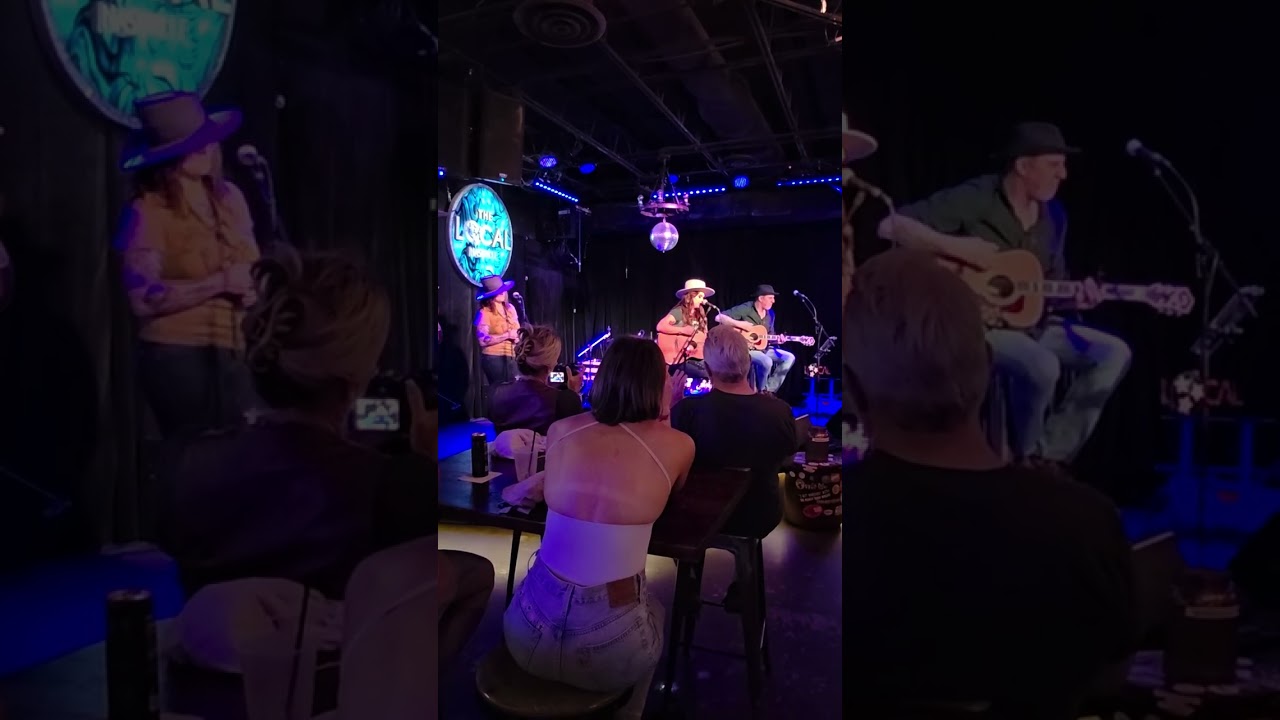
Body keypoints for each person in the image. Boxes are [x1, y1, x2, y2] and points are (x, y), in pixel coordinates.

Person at [843, 249, 1137, 719]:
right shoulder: (1089, 523)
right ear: (985, 367)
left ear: (853, 392)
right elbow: (1108, 678)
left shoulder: (845, 530)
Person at [158, 247, 493, 658]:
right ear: (358, 370)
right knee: (478, 573)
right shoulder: (390, 486)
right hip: (346, 688)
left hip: (212, 680)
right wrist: (423, 467)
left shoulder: (185, 466)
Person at [877, 122, 1131, 468]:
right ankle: (1023, 467)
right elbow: (891, 225)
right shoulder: (979, 197)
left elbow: (1047, 288)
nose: (1064, 175)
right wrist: (961, 248)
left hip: (1032, 327)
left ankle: (1045, 457)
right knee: (1043, 366)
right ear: (1023, 167)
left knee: (1113, 352)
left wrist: (1077, 298)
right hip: (976, 328)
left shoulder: (1054, 217)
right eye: (1053, 165)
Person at [504, 337, 693, 719]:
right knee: (655, 607)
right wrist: (666, 410)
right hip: (612, 649)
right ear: (659, 385)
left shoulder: (560, 430)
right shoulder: (680, 445)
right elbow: (673, 492)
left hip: (524, 630)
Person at [116, 91, 260, 439]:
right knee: (197, 457)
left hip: (236, 349)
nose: (204, 149)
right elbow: (142, 299)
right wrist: (220, 282)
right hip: (178, 354)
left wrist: (254, 288)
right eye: (192, 145)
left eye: (205, 141)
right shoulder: (147, 212)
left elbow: (253, 265)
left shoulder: (231, 198)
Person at [671, 325, 795, 610]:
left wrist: (673, 406)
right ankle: (744, 578)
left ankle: (688, 575)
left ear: (707, 368)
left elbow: (669, 459)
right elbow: (787, 455)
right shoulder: (780, 411)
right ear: (748, 362)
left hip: (699, 517)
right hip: (760, 514)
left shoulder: (688, 411)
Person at [487, 325, 584, 436]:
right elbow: (572, 439)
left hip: (505, 453)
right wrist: (573, 394)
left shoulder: (496, 393)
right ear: (551, 364)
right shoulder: (563, 400)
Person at [715, 284, 794, 394]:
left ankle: (768, 390)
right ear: (761, 298)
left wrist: (778, 340)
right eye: (770, 298)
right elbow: (719, 317)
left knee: (789, 357)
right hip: (745, 349)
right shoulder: (746, 308)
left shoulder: (771, 314)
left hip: (763, 349)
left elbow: (769, 336)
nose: (773, 301)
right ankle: (760, 394)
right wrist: (741, 325)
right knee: (767, 361)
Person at [655, 279, 713, 379]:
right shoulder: (679, 312)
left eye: (703, 297)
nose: (702, 301)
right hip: (679, 359)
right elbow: (660, 326)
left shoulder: (702, 315)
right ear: (690, 297)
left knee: (714, 369)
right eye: (699, 297)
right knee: (707, 374)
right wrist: (683, 330)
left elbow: (704, 337)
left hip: (696, 357)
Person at [473, 274, 521, 387]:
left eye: (502, 290)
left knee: (514, 390)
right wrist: (507, 335)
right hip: (494, 358)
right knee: (500, 391)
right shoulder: (484, 313)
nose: (502, 293)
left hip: (512, 356)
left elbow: (518, 331)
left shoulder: (511, 309)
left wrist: (518, 337)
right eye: (498, 292)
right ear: (490, 296)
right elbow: (482, 340)